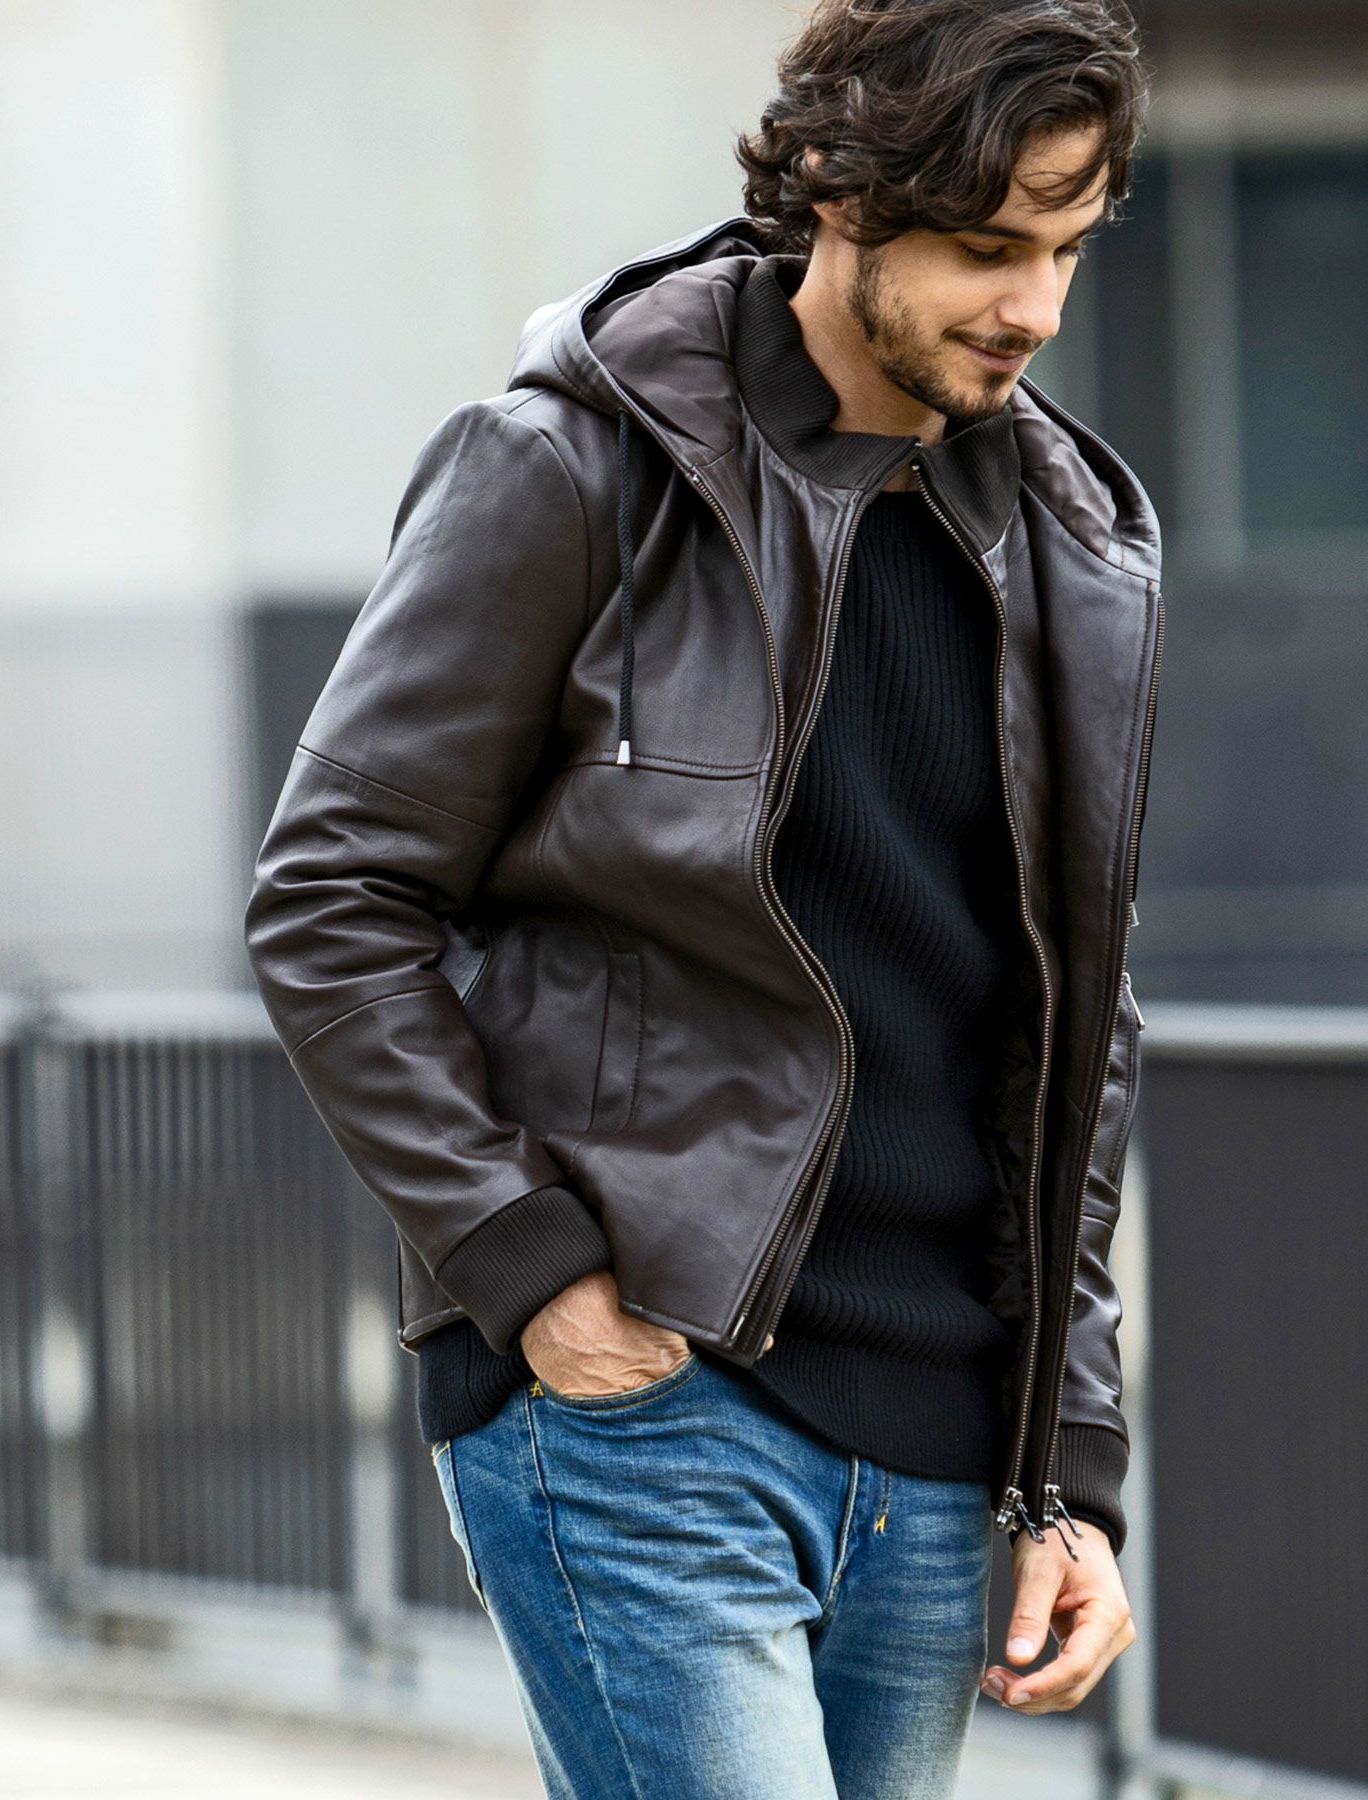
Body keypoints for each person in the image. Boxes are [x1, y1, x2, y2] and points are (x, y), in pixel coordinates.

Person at [244, 0, 1161, 1790]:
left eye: (1066, 249)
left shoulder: (1070, 543)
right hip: (653, 1396)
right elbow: (333, 896)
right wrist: (533, 1274)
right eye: (988, 249)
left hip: (943, 1440)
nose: (1036, 309)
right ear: (841, 195)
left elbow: (1074, 1027)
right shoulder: (573, 465)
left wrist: (1071, 1466)